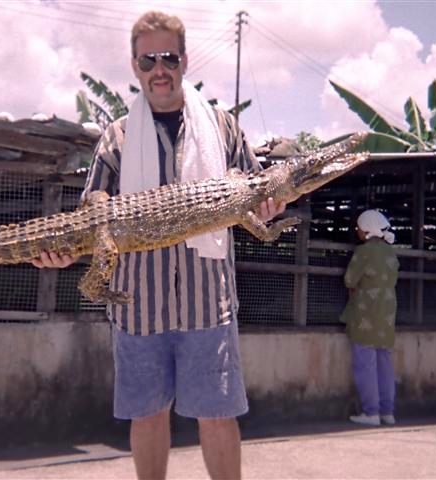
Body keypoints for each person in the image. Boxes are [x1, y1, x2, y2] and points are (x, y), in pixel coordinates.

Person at [33, 11, 284, 479]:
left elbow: (253, 190)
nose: (159, 69)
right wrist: (64, 252)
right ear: (135, 66)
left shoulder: (224, 127)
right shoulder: (117, 137)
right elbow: (94, 216)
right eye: (148, 59)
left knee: (217, 414)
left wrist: (268, 208)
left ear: (185, 60)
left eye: (168, 57)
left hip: (207, 302)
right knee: (146, 415)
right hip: (137, 304)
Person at [340, 209, 399, 427]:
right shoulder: (391, 252)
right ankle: (387, 411)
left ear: (366, 230)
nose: (356, 231)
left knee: (365, 363)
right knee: (385, 361)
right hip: (387, 313)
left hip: (366, 312)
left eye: (359, 228)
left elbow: (349, 279)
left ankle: (371, 412)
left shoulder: (363, 252)